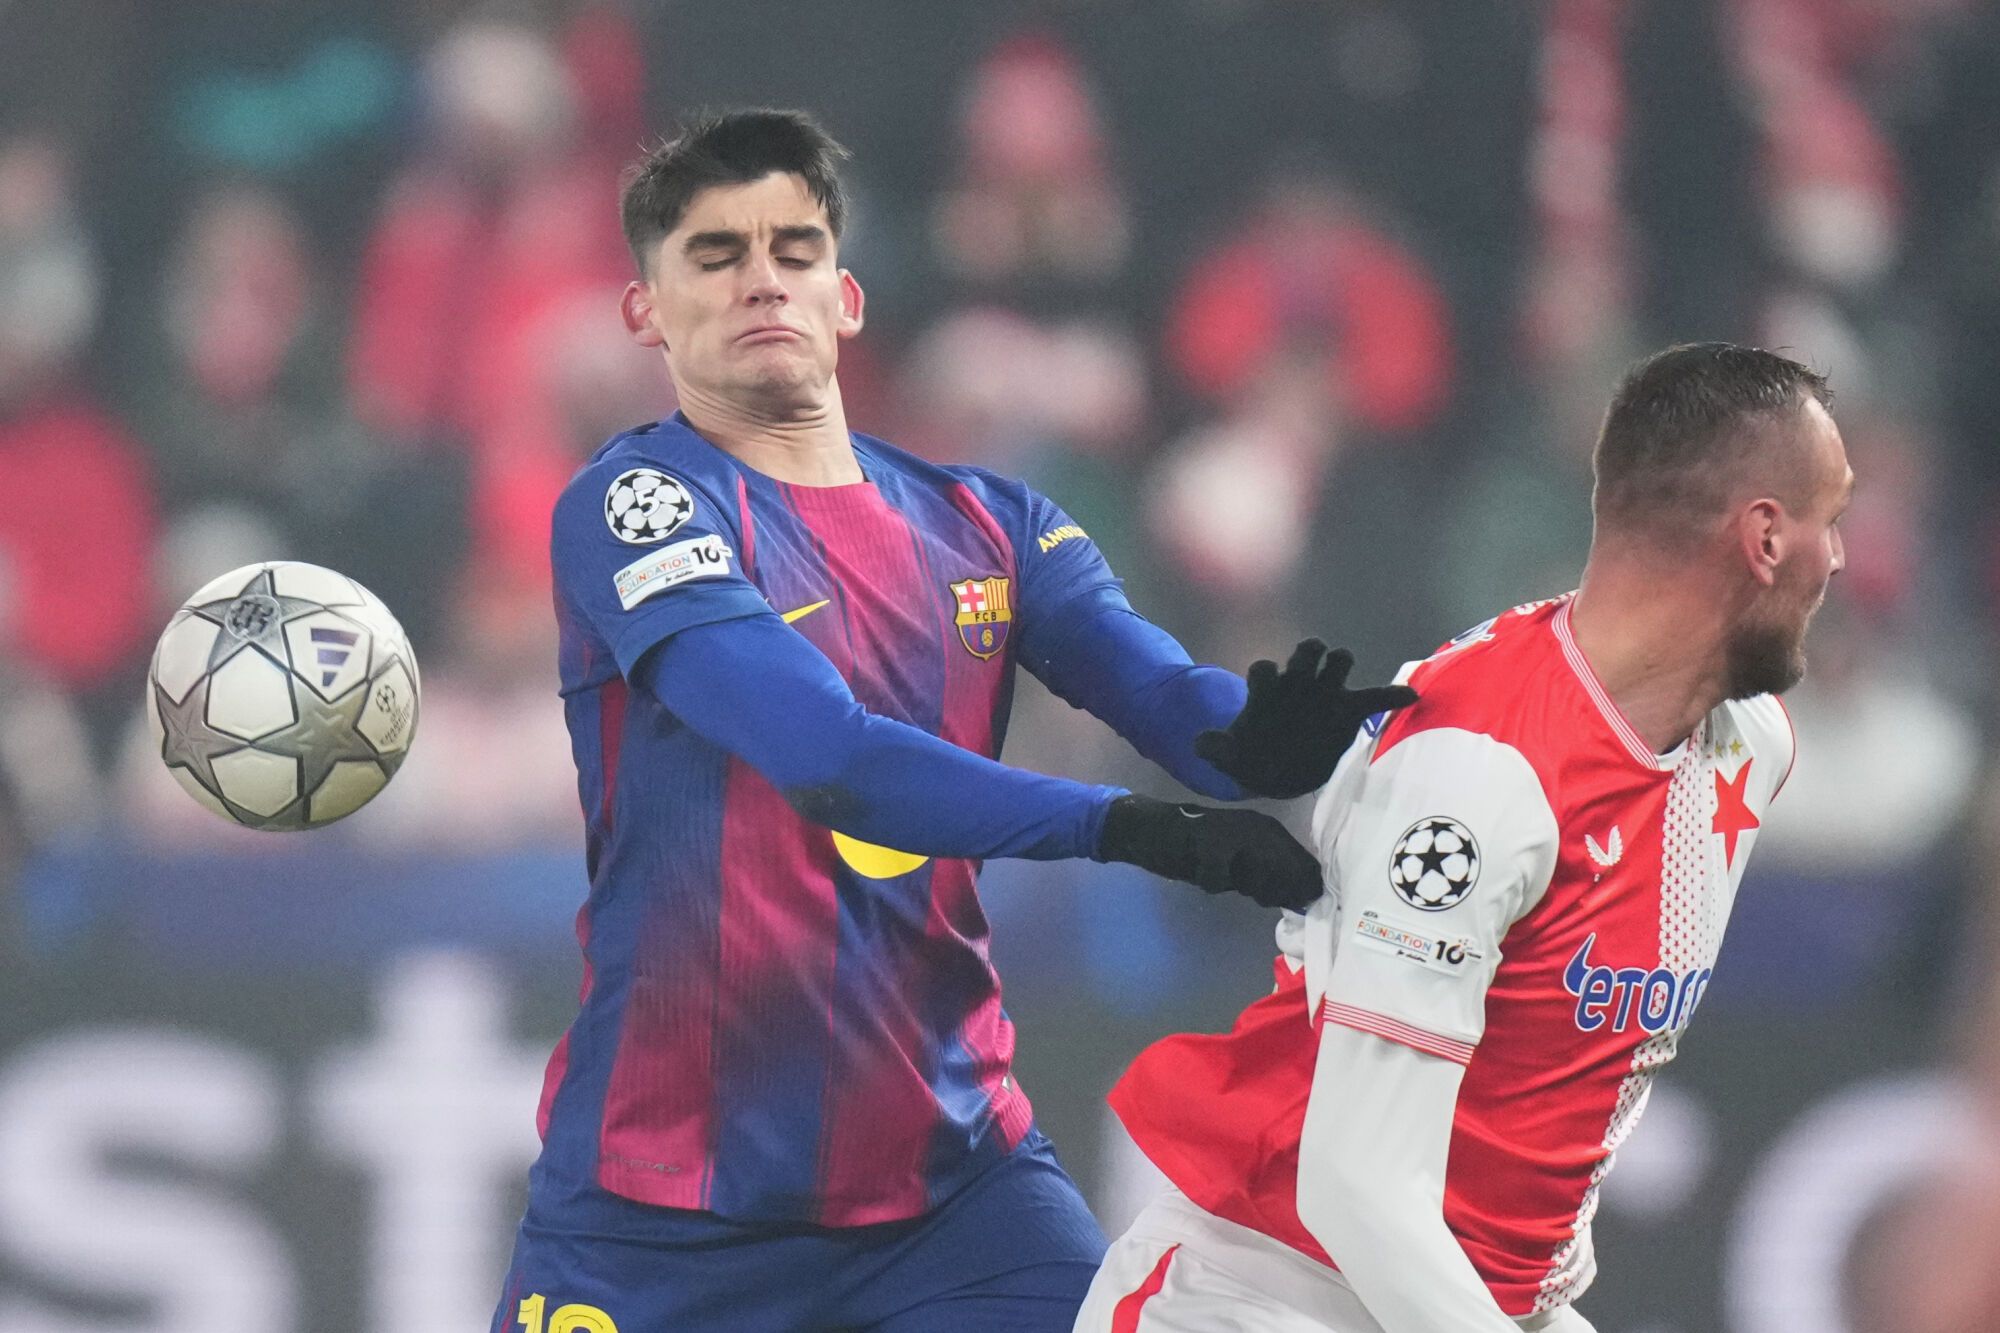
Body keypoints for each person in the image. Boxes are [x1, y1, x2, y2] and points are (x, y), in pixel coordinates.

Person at [491, 108, 1413, 1333]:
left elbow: (1171, 704)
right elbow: (828, 759)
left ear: (848, 296)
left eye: (794, 248)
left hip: (953, 1197)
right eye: (713, 255)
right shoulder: (637, 505)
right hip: (659, 1214)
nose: (760, 279)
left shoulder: (994, 524)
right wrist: (1132, 828)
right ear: (644, 311)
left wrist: (1272, 741)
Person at [1076, 342, 1852, 1332]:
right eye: (1830, 518)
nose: (1838, 557)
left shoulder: (1746, 749)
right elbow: (1356, 1189)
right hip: (1263, 1294)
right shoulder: (1477, 772)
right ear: (1763, 539)